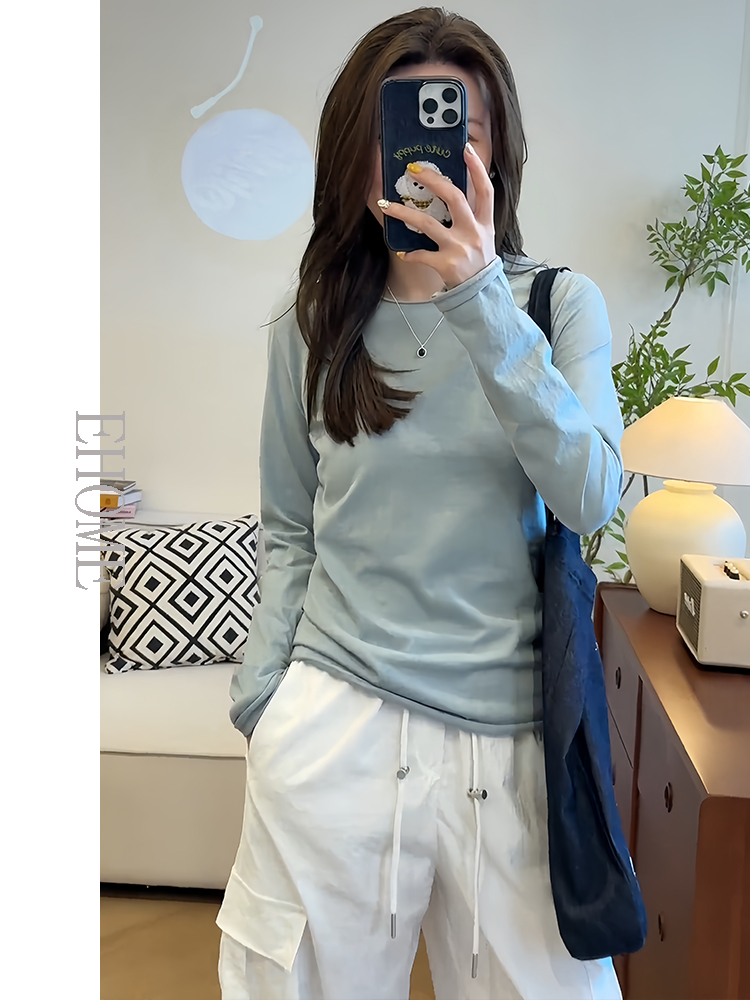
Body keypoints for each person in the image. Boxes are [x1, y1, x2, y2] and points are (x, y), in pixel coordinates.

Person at [216, 8, 625, 1000]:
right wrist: (265, 700)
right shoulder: (311, 324)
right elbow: (288, 527)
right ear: (356, 152)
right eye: (397, 130)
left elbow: (589, 495)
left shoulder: (558, 306)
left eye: (460, 131)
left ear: (496, 153)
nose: (428, 160)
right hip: (331, 726)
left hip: (508, 746)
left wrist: (479, 298)